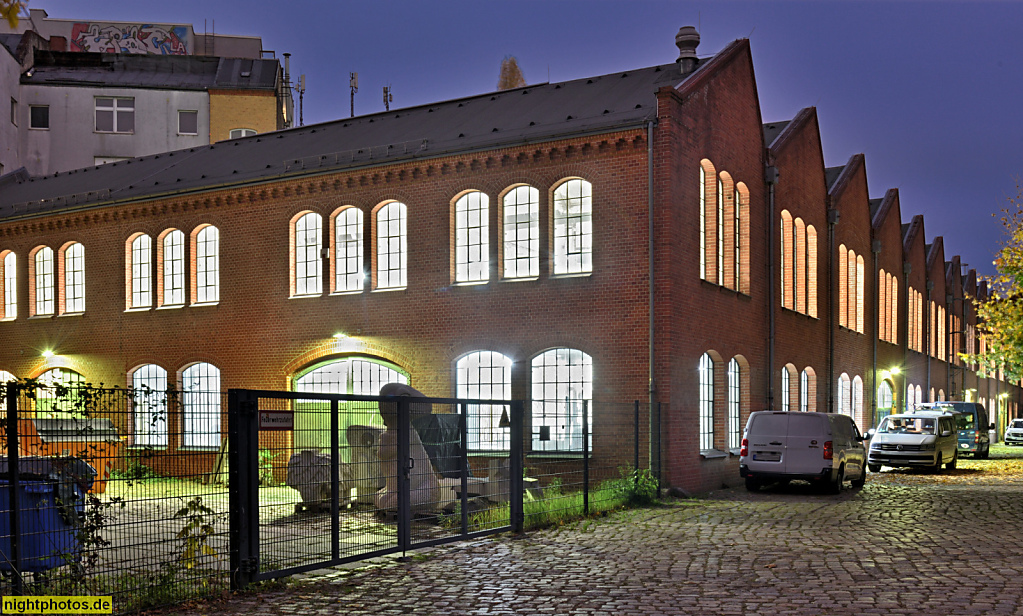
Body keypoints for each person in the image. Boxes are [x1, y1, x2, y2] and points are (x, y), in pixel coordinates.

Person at [374, 383, 440, 514]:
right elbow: (384, 453)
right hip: (397, 487)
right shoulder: (394, 434)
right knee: (380, 499)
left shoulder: (407, 434)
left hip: (424, 487)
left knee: (392, 503)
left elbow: (386, 452)